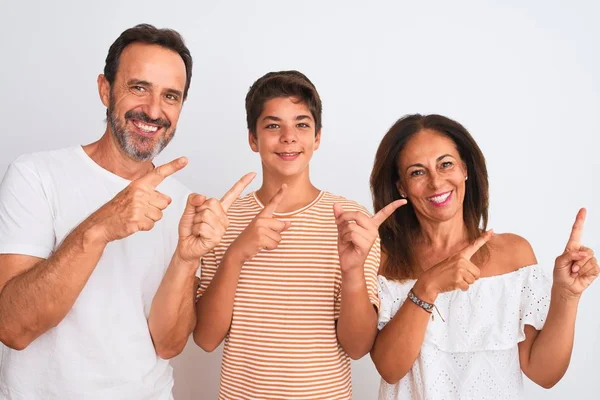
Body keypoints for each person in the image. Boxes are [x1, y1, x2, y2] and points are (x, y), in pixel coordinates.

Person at [0, 24, 252, 400]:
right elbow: (13, 327)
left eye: (170, 96)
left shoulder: (184, 206)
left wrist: (185, 260)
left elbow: (167, 345)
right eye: (139, 87)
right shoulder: (35, 175)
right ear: (105, 89)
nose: (153, 110)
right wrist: (101, 226)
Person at [192, 70, 404, 399]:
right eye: (273, 125)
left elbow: (359, 347)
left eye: (302, 124)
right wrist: (236, 254)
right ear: (253, 138)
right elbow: (206, 339)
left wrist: (352, 272)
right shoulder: (225, 217)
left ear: (317, 137)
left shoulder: (351, 221)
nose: (289, 137)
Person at [369, 113, 599, 400]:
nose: (436, 182)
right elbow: (390, 369)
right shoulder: (382, 259)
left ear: (465, 168)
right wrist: (427, 287)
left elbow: (544, 373)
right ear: (401, 187)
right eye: (418, 172)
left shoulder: (514, 254)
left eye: (446, 164)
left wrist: (566, 295)